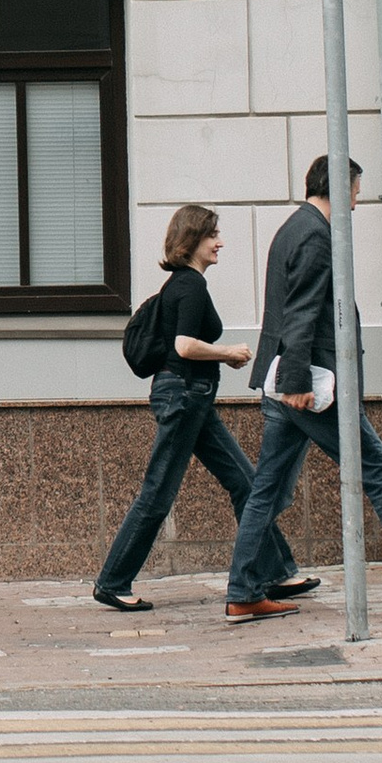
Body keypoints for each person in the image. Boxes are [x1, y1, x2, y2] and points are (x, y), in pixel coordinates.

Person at [225, 157, 382, 624]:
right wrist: (298, 382)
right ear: (341, 188)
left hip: (286, 380)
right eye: (357, 191)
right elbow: (303, 312)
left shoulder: (291, 228)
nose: (358, 201)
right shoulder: (315, 235)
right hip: (309, 385)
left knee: (266, 490)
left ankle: (244, 591)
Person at [93, 202, 313, 612]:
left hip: (192, 399)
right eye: (213, 235)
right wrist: (227, 352)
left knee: (246, 483)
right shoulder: (190, 285)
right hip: (184, 397)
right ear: (192, 240)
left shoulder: (181, 285)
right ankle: (112, 581)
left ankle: (277, 572)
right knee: (158, 493)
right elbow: (183, 346)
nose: (220, 243)